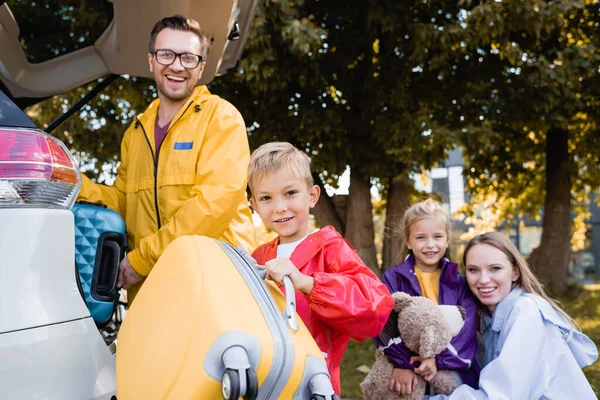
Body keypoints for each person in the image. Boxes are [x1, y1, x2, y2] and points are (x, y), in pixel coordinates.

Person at [77, 15, 256, 302]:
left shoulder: (221, 118)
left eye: (188, 57)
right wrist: (73, 185)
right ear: (151, 61)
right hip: (151, 292)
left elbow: (212, 205)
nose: (176, 65)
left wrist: (142, 261)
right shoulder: (135, 133)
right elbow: (124, 203)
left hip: (213, 287)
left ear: (200, 66)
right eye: (166, 54)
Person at [248, 142, 394, 395]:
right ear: (254, 205)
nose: (279, 206)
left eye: (290, 193)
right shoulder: (258, 257)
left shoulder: (331, 249)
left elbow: (375, 307)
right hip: (265, 382)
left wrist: (308, 283)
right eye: (266, 198)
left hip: (314, 383)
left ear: (312, 196)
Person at [427, 231, 598, 399]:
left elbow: (499, 396)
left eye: (495, 268)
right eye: (473, 270)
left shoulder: (526, 312)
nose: (484, 279)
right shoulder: (486, 319)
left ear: (515, 272)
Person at [373, 198, 478, 396]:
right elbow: (384, 322)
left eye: (437, 237)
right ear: (408, 241)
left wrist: (437, 361)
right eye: (421, 238)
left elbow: (467, 329)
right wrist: (402, 363)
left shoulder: (458, 281)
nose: (430, 245)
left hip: (449, 366)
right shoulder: (393, 277)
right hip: (407, 365)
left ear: (447, 239)